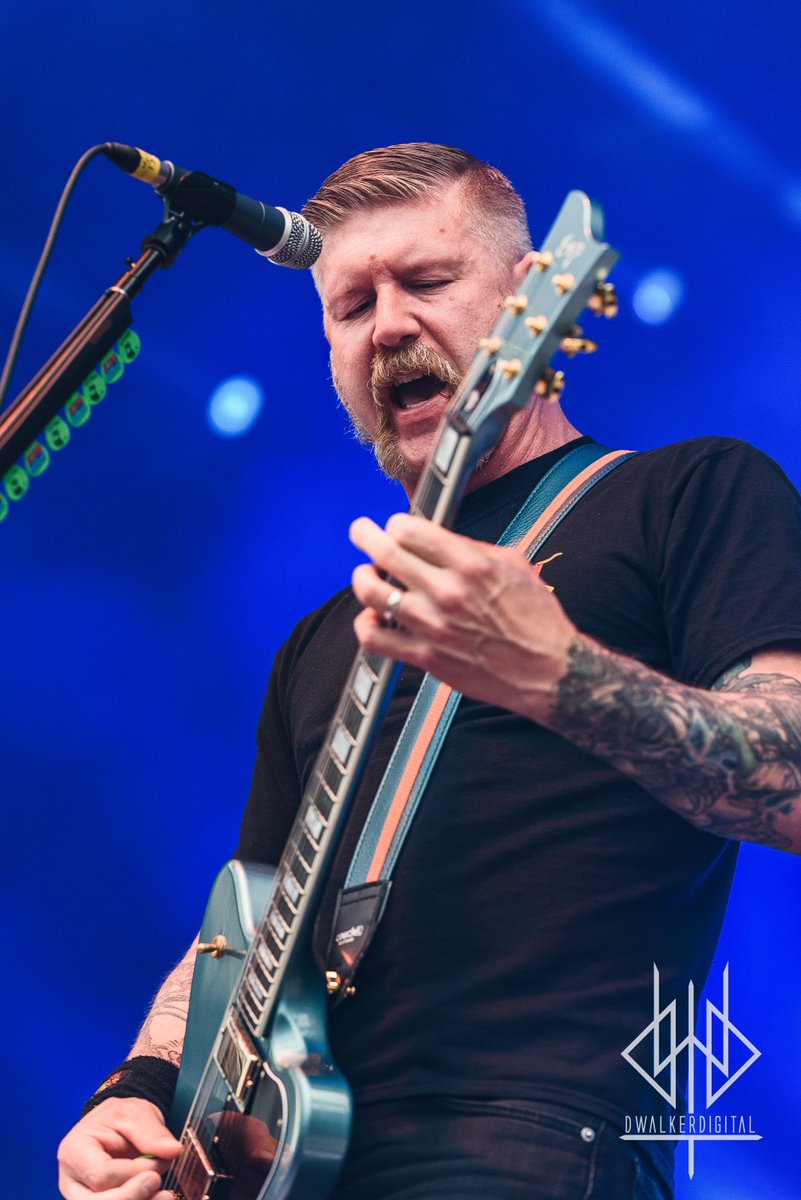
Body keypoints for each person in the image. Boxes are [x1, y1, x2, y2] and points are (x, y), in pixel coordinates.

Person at [57, 144, 801, 1200]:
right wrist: (136, 1090)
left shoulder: (686, 495)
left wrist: (559, 675)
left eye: (428, 281)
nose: (390, 325)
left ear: (529, 295)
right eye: (351, 305)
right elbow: (246, 924)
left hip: (524, 1151)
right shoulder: (322, 641)